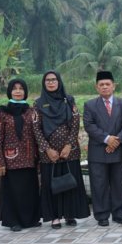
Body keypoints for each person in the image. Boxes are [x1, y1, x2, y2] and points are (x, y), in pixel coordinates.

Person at [33, 71, 90, 229]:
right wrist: (47, 149)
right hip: (48, 155)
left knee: (70, 182)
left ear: (59, 82)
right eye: (48, 80)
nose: (51, 83)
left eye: (54, 80)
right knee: (51, 184)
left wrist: (68, 145)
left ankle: (70, 214)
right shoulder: (38, 103)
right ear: (44, 84)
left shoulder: (69, 100)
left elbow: (75, 123)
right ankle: (55, 217)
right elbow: (36, 129)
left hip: (69, 152)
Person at [83, 71, 122, 226]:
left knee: (119, 184)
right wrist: (107, 139)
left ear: (113, 86)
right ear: (97, 87)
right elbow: (89, 126)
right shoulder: (90, 105)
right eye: (101, 85)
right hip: (98, 151)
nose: (104, 87)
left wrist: (116, 141)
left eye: (107, 84)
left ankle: (119, 214)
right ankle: (102, 215)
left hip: (118, 149)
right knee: (99, 185)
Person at [0, 79, 41, 231]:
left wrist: (39, 158)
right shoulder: (2, 112)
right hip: (10, 159)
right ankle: (13, 221)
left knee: (29, 190)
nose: (18, 91)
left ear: (25, 92)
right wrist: (0, 162)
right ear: (10, 91)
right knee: (13, 191)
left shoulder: (31, 111)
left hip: (29, 158)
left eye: (21, 88)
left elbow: (37, 135)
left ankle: (31, 220)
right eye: (15, 89)